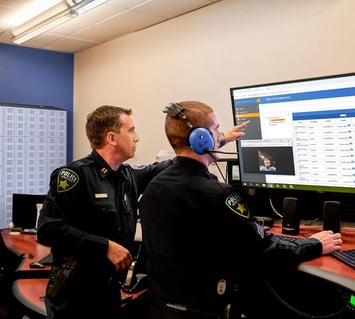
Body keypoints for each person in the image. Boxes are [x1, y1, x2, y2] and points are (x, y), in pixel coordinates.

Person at [36, 104, 247, 319]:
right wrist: (104, 247)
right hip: (74, 294)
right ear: (112, 138)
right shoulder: (75, 175)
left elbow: (181, 160)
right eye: (131, 130)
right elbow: (48, 229)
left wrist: (215, 140)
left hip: (107, 291)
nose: (136, 138)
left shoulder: (127, 176)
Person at [138, 101, 343, 319]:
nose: (220, 135)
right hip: (205, 312)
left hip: (159, 309)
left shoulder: (154, 187)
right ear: (202, 139)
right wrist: (314, 244)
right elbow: (263, 246)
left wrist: (222, 137)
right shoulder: (217, 194)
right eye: (216, 129)